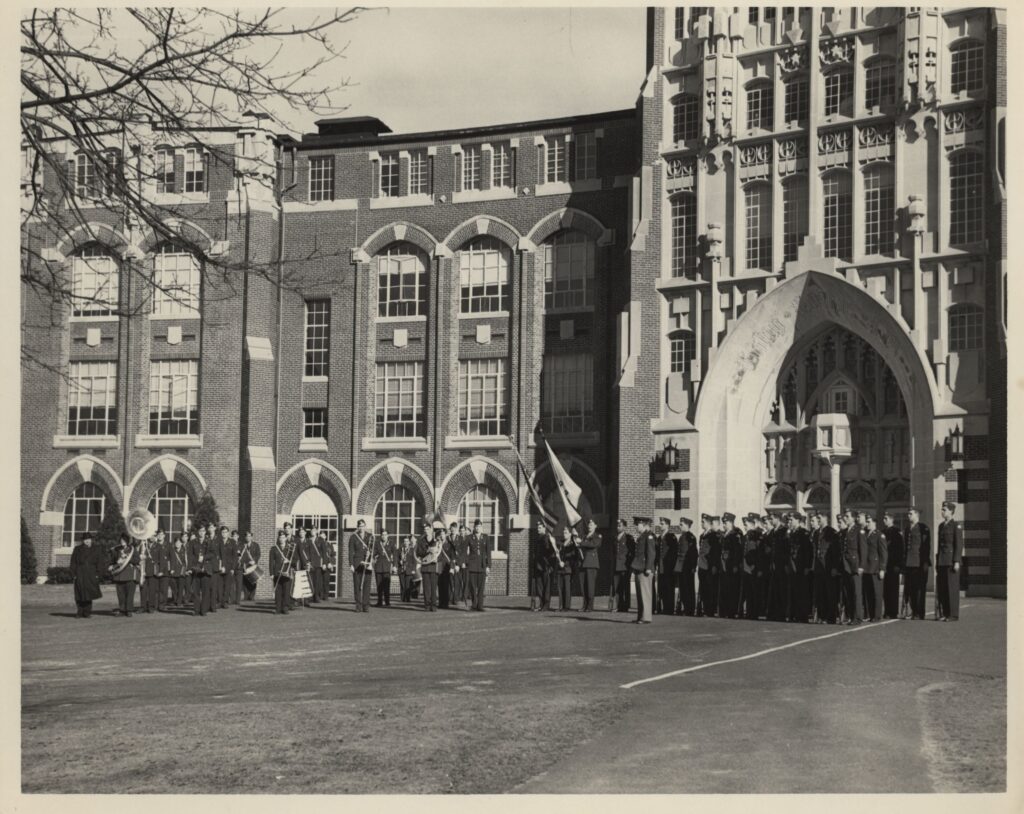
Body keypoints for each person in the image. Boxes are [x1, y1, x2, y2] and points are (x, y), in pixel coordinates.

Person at [936, 501, 964, 621]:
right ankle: (946, 613)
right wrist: (938, 561)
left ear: (951, 511)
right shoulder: (941, 526)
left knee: (951, 589)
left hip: (951, 561)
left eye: (944, 510)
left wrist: (957, 561)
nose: (942, 512)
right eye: (942, 509)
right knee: (943, 589)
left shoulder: (956, 526)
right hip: (942, 561)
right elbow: (939, 546)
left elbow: (958, 545)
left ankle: (953, 615)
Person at [903, 507, 931, 620]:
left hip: (919, 562)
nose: (908, 516)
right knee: (910, 589)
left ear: (916, 515)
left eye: (910, 514)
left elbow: (926, 546)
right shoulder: (907, 529)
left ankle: (920, 612)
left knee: (919, 589)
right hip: (909, 563)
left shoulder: (923, 528)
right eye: (908, 514)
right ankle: (914, 610)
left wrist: (924, 562)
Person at [839, 509, 865, 625]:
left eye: (848, 516)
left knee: (856, 592)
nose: (845, 518)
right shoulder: (845, 532)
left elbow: (863, 550)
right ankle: (851, 616)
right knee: (848, 592)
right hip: (845, 566)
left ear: (854, 518)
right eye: (845, 516)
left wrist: (861, 566)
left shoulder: (859, 531)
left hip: (855, 565)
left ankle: (858, 617)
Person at [188, 525, 219, 617]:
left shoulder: (209, 542)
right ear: (198, 532)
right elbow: (190, 555)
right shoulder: (193, 542)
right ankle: (196, 610)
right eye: (200, 531)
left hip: (206, 569)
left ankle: (203, 610)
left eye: (203, 531)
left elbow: (213, 553)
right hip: (196, 569)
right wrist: (191, 567)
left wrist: (204, 557)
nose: (201, 533)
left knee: (205, 591)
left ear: (205, 532)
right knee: (196, 591)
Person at [70, 532, 103, 618]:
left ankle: (87, 612)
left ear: (91, 540)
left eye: (88, 539)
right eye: (85, 540)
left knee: (89, 593)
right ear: (83, 541)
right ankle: (79, 612)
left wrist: (98, 574)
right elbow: (73, 562)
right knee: (79, 593)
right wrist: (73, 574)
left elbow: (100, 562)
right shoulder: (77, 549)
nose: (87, 541)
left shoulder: (97, 549)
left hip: (91, 573)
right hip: (80, 572)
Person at [862, 513, 887, 622]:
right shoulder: (866, 534)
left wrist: (882, 568)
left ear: (874, 523)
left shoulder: (879, 535)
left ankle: (877, 615)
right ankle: (870, 614)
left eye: (869, 522)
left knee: (877, 593)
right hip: (867, 568)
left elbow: (883, 553)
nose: (867, 524)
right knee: (868, 592)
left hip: (875, 568)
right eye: (866, 521)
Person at [632, 517, 656, 624]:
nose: (636, 527)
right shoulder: (642, 536)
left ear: (644, 524)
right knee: (640, 594)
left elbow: (651, 553)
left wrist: (649, 568)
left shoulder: (649, 536)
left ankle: (646, 617)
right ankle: (641, 616)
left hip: (644, 568)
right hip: (639, 567)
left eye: (638, 524)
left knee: (645, 593)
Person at [108, 533, 139, 617]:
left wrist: (127, 558)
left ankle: (129, 610)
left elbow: (137, 560)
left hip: (129, 574)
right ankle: (122, 610)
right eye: (121, 540)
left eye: (124, 540)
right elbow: (113, 560)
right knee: (120, 594)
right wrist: (111, 565)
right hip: (119, 575)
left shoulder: (132, 550)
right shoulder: (116, 550)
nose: (122, 542)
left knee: (129, 594)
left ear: (127, 541)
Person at [719, 513, 742, 619]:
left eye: (725, 522)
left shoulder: (735, 534)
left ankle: (732, 611)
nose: (724, 524)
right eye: (723, 522)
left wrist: (736, 564)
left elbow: (737, 551)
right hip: (724, 564)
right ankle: (724, 610)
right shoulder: (725, 534)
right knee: (724, 588)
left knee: (732, 589)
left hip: (732, 564)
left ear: (731, 523)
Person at [881, 512, 904, 619]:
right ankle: (887, 610)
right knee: (885, 589)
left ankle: (893, 612)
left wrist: (898, 564)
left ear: (891, 519)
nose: (884, 520)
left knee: (893, 589)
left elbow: (900, 550)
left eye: (886, 518)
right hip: (885, 564)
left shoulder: (897, 532)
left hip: (893, 564)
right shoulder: (883, 532)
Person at [464, 520, 491, 612]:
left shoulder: (486, 537)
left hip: (482, 566)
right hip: (472, 565)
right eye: (476, 526)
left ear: (481, 527)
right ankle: (474, 605)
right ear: (474, 527)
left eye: (479, 526)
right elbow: (464, 551)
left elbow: (488, 553)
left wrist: (488, 566)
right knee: (472, 586)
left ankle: (480, 605)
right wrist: (465, 562)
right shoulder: (469, 537)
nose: (477, 528)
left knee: (481, 587)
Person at [269, 530, 298, 615]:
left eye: (283, 537)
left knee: (286, 590)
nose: (281, 539)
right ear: (278, 538)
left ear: (285, 538)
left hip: (286, 572)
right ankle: (278, 608)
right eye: (280, 537)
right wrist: (271, 573)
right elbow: (271, 562)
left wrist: (288, 560)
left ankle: (285, 608)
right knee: (278, 591)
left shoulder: (290, 548)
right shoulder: (274, 548)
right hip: (277, 572)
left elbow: (295, 560)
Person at [609, 519, 634, 613]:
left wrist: (630, 566)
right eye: (617, 525)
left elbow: (631, 553)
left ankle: (626, 606)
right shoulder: (615, 538)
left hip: (624, 566)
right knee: (617, 587)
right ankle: (619, 606)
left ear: (624, 527)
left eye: (620, 525)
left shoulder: (629, 538)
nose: (618, 527)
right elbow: (612, 553)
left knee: (625, 587)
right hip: (616, 566)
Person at [349, 520, 373, 613]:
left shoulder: (370, 536)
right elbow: (351, 551)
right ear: (357, 527)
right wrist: (351, 564)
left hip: (367, 563)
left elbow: (374, 549)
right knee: (357, 585)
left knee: (367, 585)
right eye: (360, 526)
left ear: (365, 526)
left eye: (363, 526)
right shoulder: (353, 537)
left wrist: (370, 554)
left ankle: (366, 606)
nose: (361, 528)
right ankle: (358, 606)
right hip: (357, 563)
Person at [578, 518, 601, 612]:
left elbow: (594, 544)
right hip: (583, 563)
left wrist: (582, 543)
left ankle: (590, 606)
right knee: (584, 586)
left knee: (590, 586)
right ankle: (585, 604)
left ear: (595, 526)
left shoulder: (597, 536)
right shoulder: (584, 536)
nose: (589, 526)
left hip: (591, 563)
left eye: (591, 525)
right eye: (589, 525)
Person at [416, 521, 440, 612]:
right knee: (426, 587)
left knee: (434, 587)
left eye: (428, 529)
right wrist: (428, 550)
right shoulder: (421, 541)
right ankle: (427, 605)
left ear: (431, 530)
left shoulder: (436, 540)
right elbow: (419, 552)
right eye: (425, 529)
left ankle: (433, 605)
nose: (426, 531)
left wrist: (436, 556)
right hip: (425, 566)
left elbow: (439, 552)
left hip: (434, 566)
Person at [740, 515, 760, 620]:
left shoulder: (756, 535)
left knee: (753, 591)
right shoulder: (746, 536)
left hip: (752, 567)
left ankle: (754, 612)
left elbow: (757, 552)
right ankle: (748, 611)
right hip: (745, 567)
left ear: (752, 525)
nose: (745, 527)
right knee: (747, 591)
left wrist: (754, 565)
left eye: (746, 525)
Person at [140, 531, 165, 613]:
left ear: (156, 537)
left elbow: (162, 560)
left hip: (153, 571)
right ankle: (142, 607)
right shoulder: (143, 545)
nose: (152, 537)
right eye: (150, 535)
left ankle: (151, 607)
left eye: (154, 536)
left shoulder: (159, 546)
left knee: (152, 590)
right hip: (143, 571)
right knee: (143, 590)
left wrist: (161, 570)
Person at [655, 517, 676, 615]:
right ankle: (661, 607)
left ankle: (669, 608)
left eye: (662, 523)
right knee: (661, 587)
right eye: (660, 523)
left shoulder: (671, 536)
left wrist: (672, 566)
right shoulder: (659, 537)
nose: (660, 525)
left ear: (667, 525)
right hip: (661, 566)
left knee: (669, 587)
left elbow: (673, 552)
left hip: (669, 566)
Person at [532, 520, 554, 612]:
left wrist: (549, 540)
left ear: (545, 528)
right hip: (538, 566)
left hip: (545, 566)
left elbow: (550, 551)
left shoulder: (547, 538)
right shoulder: (537, 538)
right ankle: (541, 604)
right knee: (539, 586)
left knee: (546, 586)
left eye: (540, 527)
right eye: (537, 527)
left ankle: (546, 605)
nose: (538, 529)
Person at [696, 514, 715, 617]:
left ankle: (709, 610)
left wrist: (713, 566)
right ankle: (703, 608)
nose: (701, 523)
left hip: (708, 565)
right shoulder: (702, 536)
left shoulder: (713, 535)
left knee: (709, 589)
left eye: (703, 522)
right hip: (702, 564)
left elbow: (714, 552)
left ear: (708, 523)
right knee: (703, 588)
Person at [677, 517, 697, 616]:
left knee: (688, 588)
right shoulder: (682, 536)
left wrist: (693, 566)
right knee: (683, 588)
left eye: (682, 524)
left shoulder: (690, 537)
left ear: (687, 525)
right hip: (681, 566)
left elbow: (693, 553)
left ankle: (690, 609)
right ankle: (685, 606)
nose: (680, 526)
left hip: (687, 566)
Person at [373, 529, 396, 607]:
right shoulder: (377, 543)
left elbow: (395, 555)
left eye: (385, 535)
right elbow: (374, 553)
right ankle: (379, 602)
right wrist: (373, 556)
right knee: (379, 585)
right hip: (378, 567)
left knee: (386, 586)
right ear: (380, 536)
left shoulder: (391, 543)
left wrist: (395, 566)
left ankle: (387, 601)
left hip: (386, 567)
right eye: (382, 535)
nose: (384, 536)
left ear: (388, 536)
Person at [555, 527, 575, 612]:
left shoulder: (572, 544)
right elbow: (559, 554)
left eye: (566, 532)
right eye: (563, 532)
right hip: (560, 569)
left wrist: (565, 563)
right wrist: (558, 559)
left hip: (568, 569)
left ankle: (566, 606)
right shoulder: (561, 544)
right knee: (560, 588)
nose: (564, 534)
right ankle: (561, 606)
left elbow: (572, 556)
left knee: (567, 589)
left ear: (570, 534)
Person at [240, 530, 262, 602]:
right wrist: (243, 562)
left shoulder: (256, 545)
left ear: (252, 537)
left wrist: (254, 560)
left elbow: (258, 554)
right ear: (245, 537)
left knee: (253, 580)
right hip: (245, 565)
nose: (248, 538)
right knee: (245, 581)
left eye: (249, 536)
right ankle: (246, 596)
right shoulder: (242, 545)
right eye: (246, 536)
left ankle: (252, 596)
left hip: (253, 564)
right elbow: (240, 555)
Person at [220, 528, 240, 608]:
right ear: (221, 533)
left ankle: (225, 602)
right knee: (220, 586)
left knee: (227, 585)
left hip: (229, 567)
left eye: (225, 532)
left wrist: (233, 568)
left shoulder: (232, 542)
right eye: (222, 532)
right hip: (220, 566)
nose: (224, 534)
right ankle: (220, 601)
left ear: (228, 533)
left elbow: (235, 557)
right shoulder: (218, 542)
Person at [318, 531, 336, 601]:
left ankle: (326, 595)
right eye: (320, 535)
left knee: (326, 581)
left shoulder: (329, 544)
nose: (322, 536)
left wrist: (331, 563)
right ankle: (320, 595)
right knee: (319, 581)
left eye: (323, 535)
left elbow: (333, 555)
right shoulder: (317, 544)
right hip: (320, 564)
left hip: (328, 564)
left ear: (325, 537)